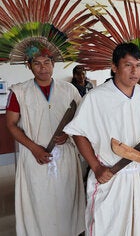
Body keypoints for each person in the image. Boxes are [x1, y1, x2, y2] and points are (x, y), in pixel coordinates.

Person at [63, 43, 140, 235]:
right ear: (114, 67)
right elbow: (77, 132)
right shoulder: (96, 97)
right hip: (112, 175)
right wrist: (97, 167)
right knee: (108, 228)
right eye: (128, 65)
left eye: (138, 66)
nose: (135, 72)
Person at [6, 42, 85, 235]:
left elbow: (82, 120)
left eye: (47, 62)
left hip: (65, 155)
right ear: (29, 66)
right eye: (37, 63)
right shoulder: (19, 92)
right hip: (35, 157)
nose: (43, 68)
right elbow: (11, 125)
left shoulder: (69, 90)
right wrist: (34, 148)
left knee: (65, 198)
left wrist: (68, 133)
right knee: (39, 200)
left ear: (53, 64)